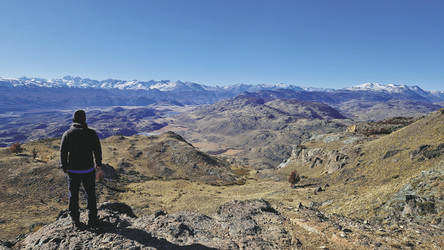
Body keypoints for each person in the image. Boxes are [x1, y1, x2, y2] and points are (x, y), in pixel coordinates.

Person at [60, 110, 102, 229]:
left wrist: (64, 166)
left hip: (73, 171)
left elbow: (63, 152)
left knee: (73, 195)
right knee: (90, 194)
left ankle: (75, 220)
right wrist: (98, 163)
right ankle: (93, 219)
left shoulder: (68, 134)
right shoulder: (91, 133)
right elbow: (97, 149)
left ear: (73, 120)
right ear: (84, 119)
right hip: (88, 169)